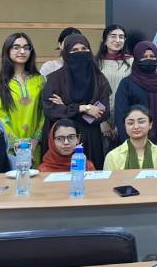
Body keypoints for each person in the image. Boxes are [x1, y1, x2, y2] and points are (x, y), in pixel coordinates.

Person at [41, 33, 111, 169]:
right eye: (75, 50)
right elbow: (50, 110)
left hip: (90, 139)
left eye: (84, 49)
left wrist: (66, 108)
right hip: (62, 139)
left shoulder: (99, 79)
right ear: (66, 53)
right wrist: (83, 108)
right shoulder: (55, 79)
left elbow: (102, 111)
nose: (80, 53)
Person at [0, 32, 45, 163]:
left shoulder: (39, 80)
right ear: (7, 50)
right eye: (16, 47)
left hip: (36, 146)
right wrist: (20, 146)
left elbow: (43, 114)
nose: (22, 51)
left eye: (26, 47)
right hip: (9, 147)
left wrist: (35, 141)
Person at [114, 41, 157, 148]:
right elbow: (121, 115)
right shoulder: (127, 84)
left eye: (152, 56)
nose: (149, 59)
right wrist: (129, 143)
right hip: (136, 143)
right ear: (136, 59)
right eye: (144, 57)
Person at [95, 24, 133, 146]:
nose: (117, 40)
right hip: (99, 118)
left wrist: (121, 123)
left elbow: (133, 94)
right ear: (104, 40)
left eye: (121, 37)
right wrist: (101, 121)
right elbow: (91, 94)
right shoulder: (94, 63)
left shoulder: (132, 62)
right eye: (113, 36)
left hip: (125, 117)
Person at [104, 106, 157, 170]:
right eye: (130, 123)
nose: (136, 127)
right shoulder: (113, 156)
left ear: (150, 124)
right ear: (125, 126)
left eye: (141, 122)